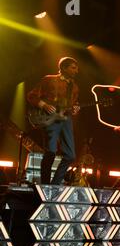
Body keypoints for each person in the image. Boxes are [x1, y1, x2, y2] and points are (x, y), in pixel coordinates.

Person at [27, 57, 80, 185]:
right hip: (50, 119)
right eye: (73, 68)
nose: (76, 71)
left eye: (76, 68)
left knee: (71, 156)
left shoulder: (75, 87)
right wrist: (44, 105)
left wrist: (75, 109)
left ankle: (55, 185)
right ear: (63, 68)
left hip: (65, 119)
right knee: (50, 152)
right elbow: (31, 96)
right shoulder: (48, 80)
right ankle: (45, 185)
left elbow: (71, 105)